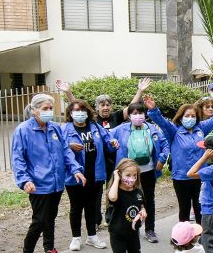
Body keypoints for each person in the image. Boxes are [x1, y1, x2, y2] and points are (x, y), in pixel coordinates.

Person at [56, 77, 151, 226]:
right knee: (97, 194)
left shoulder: (116, 117)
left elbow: (131, 108)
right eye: (102, 104)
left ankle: (111, 216)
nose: (106, 107)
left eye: (108, 104)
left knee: (114, 190)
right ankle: (96, 220)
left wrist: (140, 91)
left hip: (115, 161)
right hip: (99, 162)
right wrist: (68, 93)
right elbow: (78, 108)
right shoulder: (93, 120)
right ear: (96, 107)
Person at [13, 93, 86, 253]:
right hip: (37, 183)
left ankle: (49, 249)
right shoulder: (23, 130)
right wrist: (24, 181)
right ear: (34, 110)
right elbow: (18, 158)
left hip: (56, 182)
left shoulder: (55, 128)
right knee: (39, 220)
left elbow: (65, 151)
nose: (49, 112)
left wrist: (75, 169)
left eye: (51, 108)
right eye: (45, 108)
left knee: (50, 218)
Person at [145, 92, 213, 224]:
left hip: (199, 176)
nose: (190, 118)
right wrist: (153, 109)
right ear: (181, 117)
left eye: (193, 116)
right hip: (181, 177)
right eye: (187, 116)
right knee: (184, 209)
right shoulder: (174, 131)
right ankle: (184, 239)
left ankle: (201, 236)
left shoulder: (200, 128)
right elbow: (162, 121)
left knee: (199, 206)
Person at [112, 102, 169, 243]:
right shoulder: (121, 129)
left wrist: (162, 159)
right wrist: (112, 141)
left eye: (140, 113)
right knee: (128, 200)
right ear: (129, 116)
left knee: (148, 200)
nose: (138, 116)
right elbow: (106, 136)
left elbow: (165, 144)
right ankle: (130, 229)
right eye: (134, 113)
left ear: (145, 114)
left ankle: (150, 229)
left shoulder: (152, 129)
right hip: (128, 174)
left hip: (149, 170)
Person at [62, 99, 115, 251]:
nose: (80, 113)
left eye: (82, 110)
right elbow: (58, 149)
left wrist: (113, 142)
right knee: (76, 207)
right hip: (75, 175)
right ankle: (76, 238)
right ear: (70, 114)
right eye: (76, 110)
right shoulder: (65, 129)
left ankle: (92, 236)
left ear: (88, 112)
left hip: (95, 174)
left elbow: (107, 141)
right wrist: (69, 146)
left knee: (92, 206)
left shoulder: (95, 127)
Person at [106, 158, 148, 253]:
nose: (131, 179)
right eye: (128, 175)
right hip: (117, 235)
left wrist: (143, 211)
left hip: (133, 234)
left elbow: (142, 205)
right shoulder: (116, 191)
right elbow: (112, 198)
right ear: (120, 174)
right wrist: (116, 179)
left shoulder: (137, 191)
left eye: (135, 175)